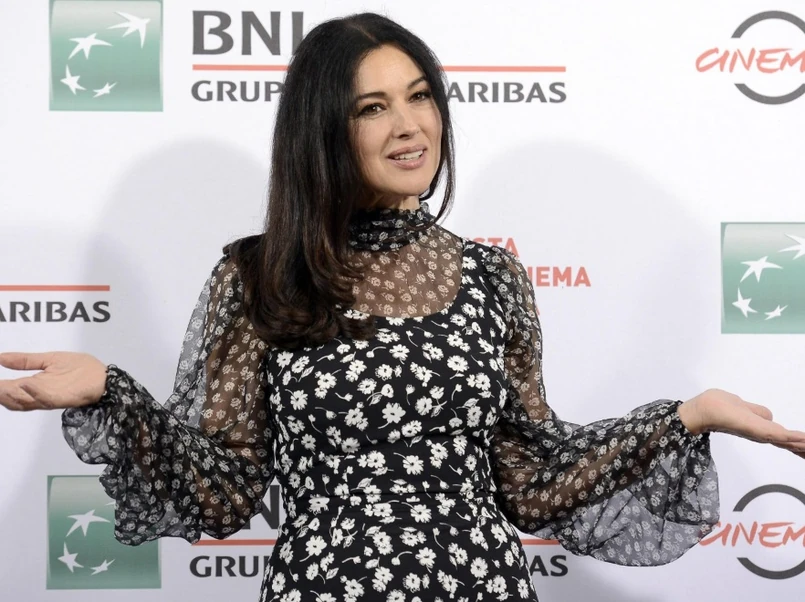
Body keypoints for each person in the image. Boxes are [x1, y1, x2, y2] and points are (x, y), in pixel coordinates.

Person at [1, 12, 804, 602]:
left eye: (419, 97)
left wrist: (686, 416)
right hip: (326, 587)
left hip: (481, 584)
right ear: (324, 130)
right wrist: (115, 395)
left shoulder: (492, 276)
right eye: (371, 107)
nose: (409, 126)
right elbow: (224, 491)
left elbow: (529, 478)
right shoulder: (261, 275)